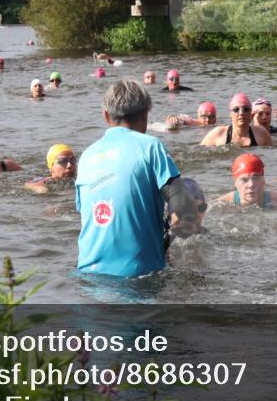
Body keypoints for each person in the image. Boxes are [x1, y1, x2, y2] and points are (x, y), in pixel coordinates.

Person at [75, 79, 199, 277]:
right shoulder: (150, 146)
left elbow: (90, 216)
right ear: (145, 115)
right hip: (138, 275)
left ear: (106, 116)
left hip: (87, 274)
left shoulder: (87, 156)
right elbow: (183, 205)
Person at [213, 154, 277, 209]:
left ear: (263, 180)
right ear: (235, 182)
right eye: (244, 180)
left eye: (256, 178)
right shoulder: (223, 203)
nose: (251, 184)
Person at [200, 93, 273, 147]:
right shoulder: (217, 134)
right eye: (236, 109)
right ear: (230, 114)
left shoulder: (262, 133)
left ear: (251, 114)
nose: (241, 113)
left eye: (246, 109)